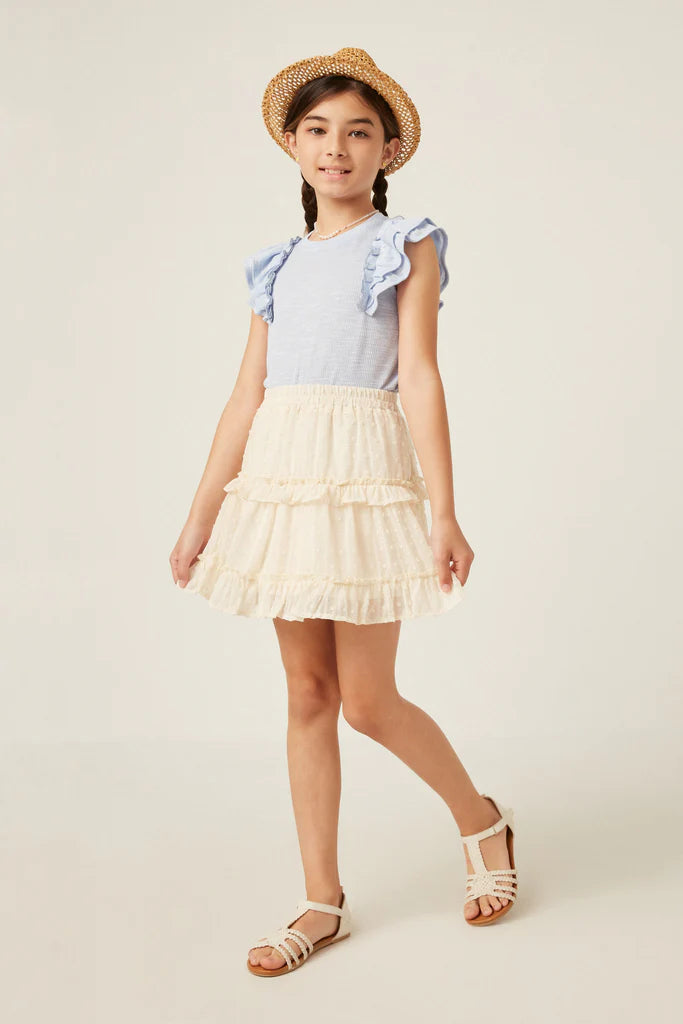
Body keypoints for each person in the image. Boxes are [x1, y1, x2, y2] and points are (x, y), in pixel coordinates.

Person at [169, 46, 518, 978]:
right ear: (292, 144)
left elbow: (422, 378)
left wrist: (444, 512)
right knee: (306, 696)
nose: (336, 147)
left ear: (386, 151)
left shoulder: (404, 244)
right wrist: (202, 516)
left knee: (366, 701)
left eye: (358, 132)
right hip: (284, 479)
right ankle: (321, 901)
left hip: (360, 473)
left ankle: (481, 820)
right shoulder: (277, 264)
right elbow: (245, 396)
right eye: (318, 130)